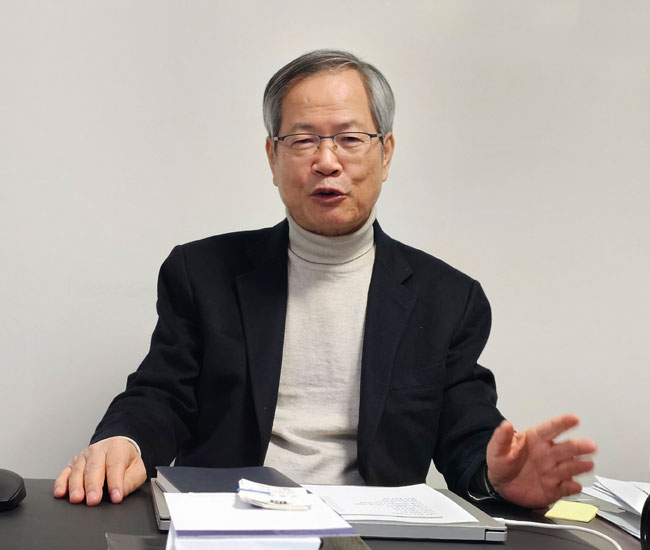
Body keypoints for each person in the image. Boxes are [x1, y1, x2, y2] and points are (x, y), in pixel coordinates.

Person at [54, 49, 597, 508]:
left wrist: (497, 477)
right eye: (303, 140)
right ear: (273, 158)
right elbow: (161, 394)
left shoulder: (448, 299)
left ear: (386, 153)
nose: (327, 161)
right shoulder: (201, 273)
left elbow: (468, 431)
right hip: (234, 521)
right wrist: (124, 440)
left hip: (376, 531)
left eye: (350, 138)